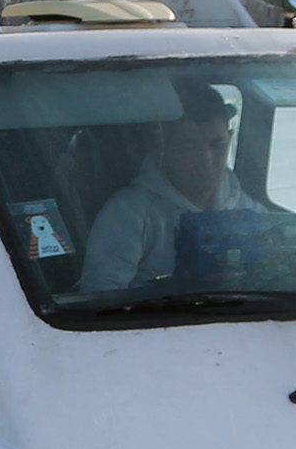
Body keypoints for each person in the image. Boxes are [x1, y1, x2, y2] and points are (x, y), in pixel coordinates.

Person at [79, 78, 260, 291]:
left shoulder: (246, 208)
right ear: (164, 147)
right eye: (190, 147)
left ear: (230, 138)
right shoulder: (128, 214)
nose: (207, 161)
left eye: (217, 144)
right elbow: (100, 293)